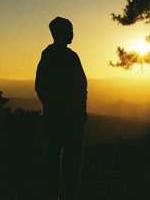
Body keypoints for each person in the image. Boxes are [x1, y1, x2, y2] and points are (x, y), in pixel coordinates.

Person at [35, 16, 87, 200]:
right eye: (70, 29)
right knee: (70, 160)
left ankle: (55, 193)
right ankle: (66, 194)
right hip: (69, 118)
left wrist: (52, 108)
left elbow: (40, 87)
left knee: (55, 157)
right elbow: (81, 86)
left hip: (57, 117)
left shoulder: (49, 55)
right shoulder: (68, 57)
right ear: (61, 33)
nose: (73, 33)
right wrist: (78, 111)